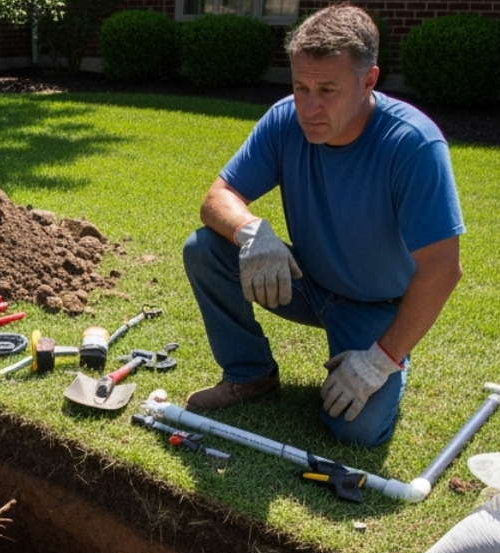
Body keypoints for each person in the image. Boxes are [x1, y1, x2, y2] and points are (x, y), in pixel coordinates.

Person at [181, 3, 464, 447]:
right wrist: (252, 230)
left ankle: (393, 363)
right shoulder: (283, 120)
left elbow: (442, 268)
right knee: (204, 249)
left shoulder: (412, 145)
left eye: (327, 90)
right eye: (300, 87)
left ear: (368, 80)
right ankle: (250, 374)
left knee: (356, 431)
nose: (309, 107)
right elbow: (217, 199)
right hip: (306, 281)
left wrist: (379, 361)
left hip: (376, 305)